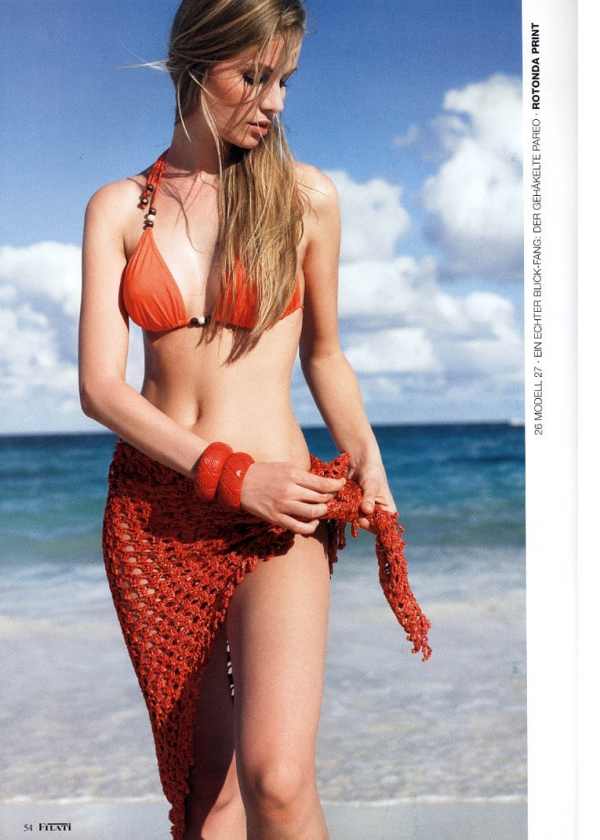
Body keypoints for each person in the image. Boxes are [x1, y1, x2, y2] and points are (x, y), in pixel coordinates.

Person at [79, 2, 430, 838]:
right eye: (255, 76)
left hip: (280, 509)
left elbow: (326, 356)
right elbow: (100, 389)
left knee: (275, 775)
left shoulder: (306, 198)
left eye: (285, 81)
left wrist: (369, 462)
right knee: (208, 793)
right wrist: (228, 474)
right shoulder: (119, 209)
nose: (273, 101)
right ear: (197, 64)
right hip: (157, 516)